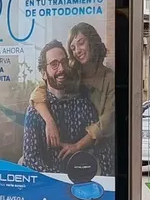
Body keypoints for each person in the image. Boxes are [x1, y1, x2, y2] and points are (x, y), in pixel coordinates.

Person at [22, 41, 113, 174]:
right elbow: (31, 159)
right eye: (54, 64)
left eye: (64, 62)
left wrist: (95, 178)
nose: (61, 69)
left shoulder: (85, 105)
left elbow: (103, 149)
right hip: (49, 186)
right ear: (43, 73)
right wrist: (60, 182)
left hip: (83, 184)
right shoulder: (35, 112)